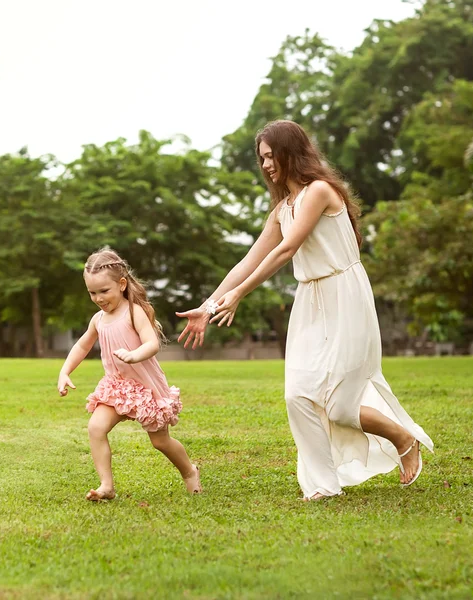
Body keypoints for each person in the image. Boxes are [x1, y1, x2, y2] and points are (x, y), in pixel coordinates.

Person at [176, 120, 433, 501]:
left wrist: (241, 295)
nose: (265, 165)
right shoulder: (283, 209)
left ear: (290, 153)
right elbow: (249, 260)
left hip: (344, 294)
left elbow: (287, 250)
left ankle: (401, 437)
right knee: (298, 394)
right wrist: (208, 305)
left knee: (341, 406)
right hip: (310, 300)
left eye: (270, 156)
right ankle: (323, 486)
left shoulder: (319, 191)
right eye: (261, 158)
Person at [58, 249, 202, 500]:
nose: (98, 298)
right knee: (96, 427)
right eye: (92, 292)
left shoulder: (135, 312)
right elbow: (82, 345)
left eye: (104, 291)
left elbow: (152, 343)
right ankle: (106, 486)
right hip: (117, 387)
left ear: (122, 284)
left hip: (145, 387)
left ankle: (190, 472)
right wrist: (65, 371)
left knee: (160, 442)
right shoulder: (98, 319)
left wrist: (134, 355)